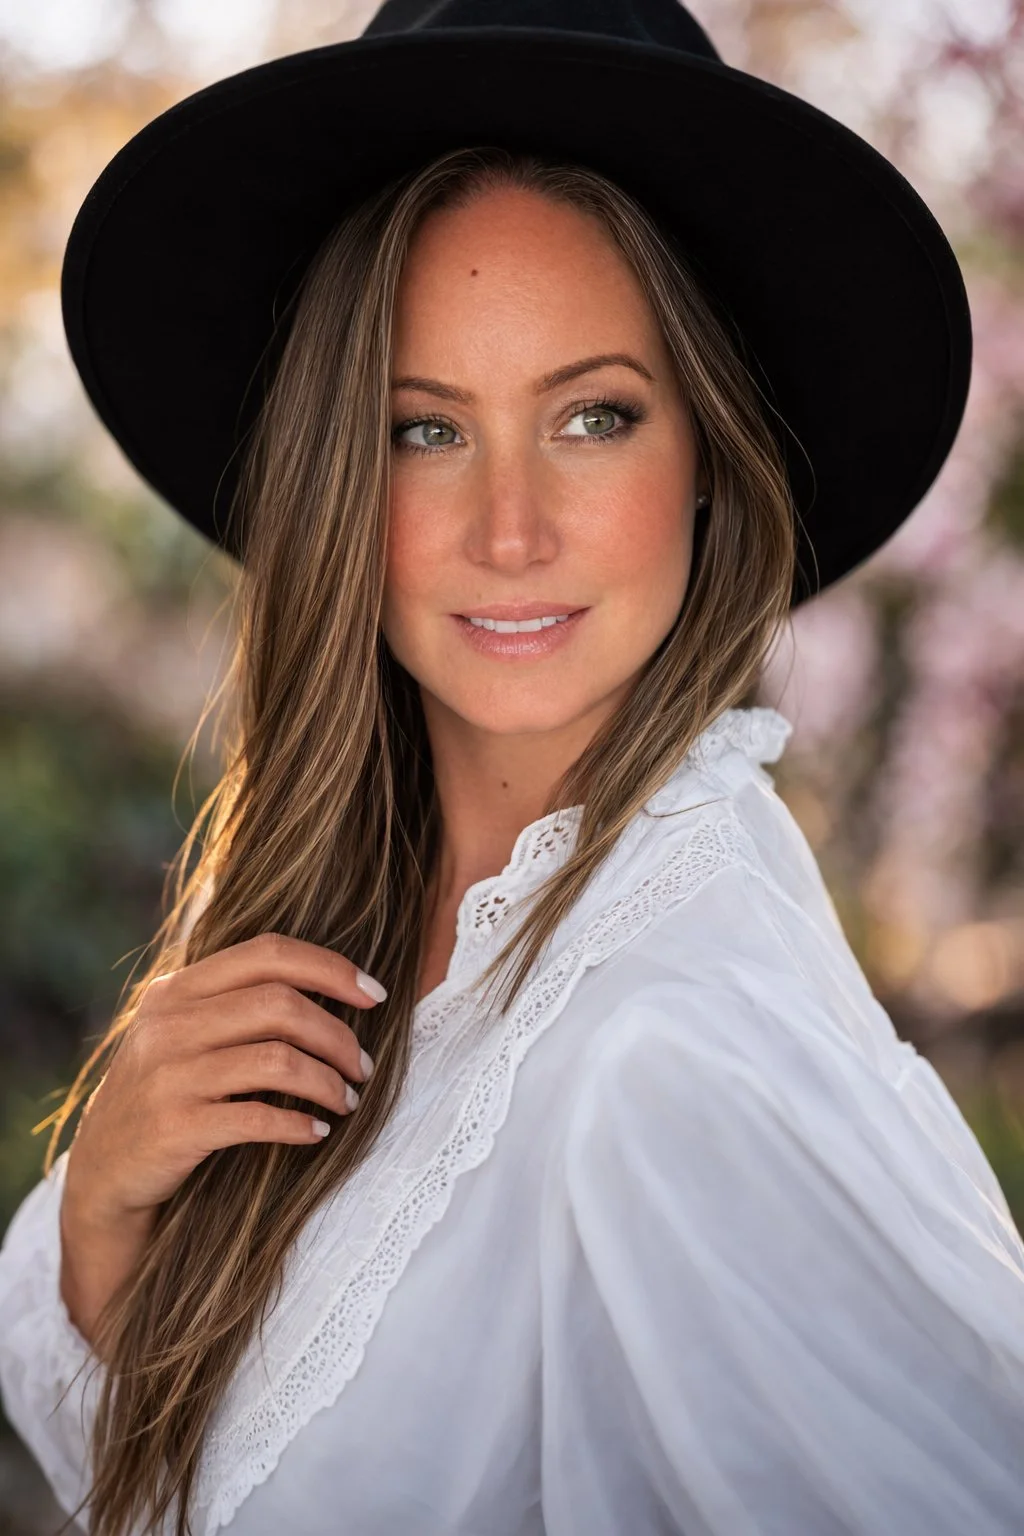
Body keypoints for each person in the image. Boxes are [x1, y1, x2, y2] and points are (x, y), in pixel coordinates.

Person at [1, 3, 1022, 1535]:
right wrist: (102, 1211)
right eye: (425, 431)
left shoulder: (668, 1058)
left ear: (710, 457)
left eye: (593, 417)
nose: (511, 531)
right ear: (337, 480)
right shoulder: (352, 923)